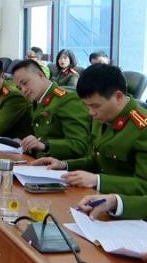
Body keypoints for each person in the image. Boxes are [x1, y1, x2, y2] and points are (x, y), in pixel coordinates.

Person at [32, 64, 147, 195]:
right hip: (96, 197)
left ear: (118, 97)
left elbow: (144, 185)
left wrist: (97, 181)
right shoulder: (103, 115)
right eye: (87, 106)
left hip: (125, 203)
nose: (91, 112)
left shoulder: (142, 127)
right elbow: (97, 160)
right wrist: (65, 165)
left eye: (95, 106)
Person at [11, 59, 90, 160]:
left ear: (40, 75)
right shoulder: (36, 101)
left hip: (62, 166)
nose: (24, 90)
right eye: (19, 88)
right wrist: (25, 143)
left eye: (25, 83)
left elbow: (79, 145)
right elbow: (42, 136)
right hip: (39, 162)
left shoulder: (67, 100)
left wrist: (45, 146)